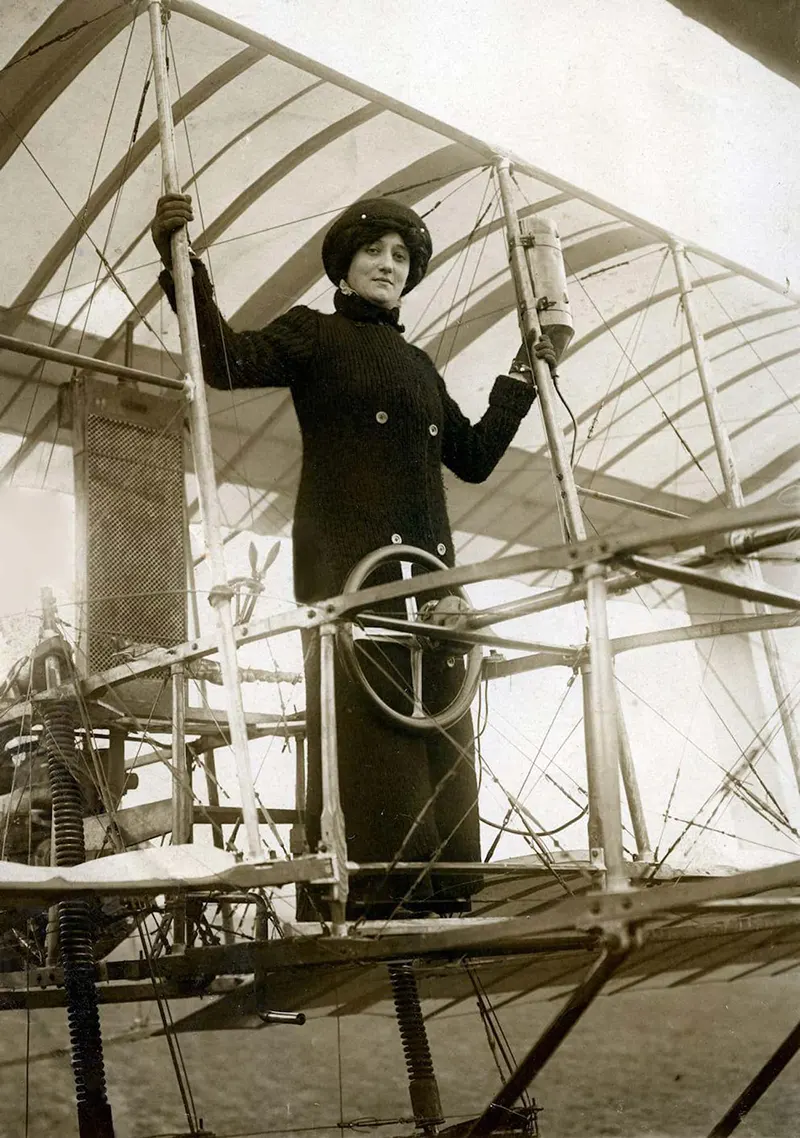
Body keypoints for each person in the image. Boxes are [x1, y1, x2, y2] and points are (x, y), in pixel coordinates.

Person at [151, 193, 556, 920]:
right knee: (373, 731)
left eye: (401, 257)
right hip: (351, 575)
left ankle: (448, 894)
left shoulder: (419, 366)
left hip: (432, 586)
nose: (389, 265)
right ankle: (378, 893)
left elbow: (473, 458)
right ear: (343, 267)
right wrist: (183, 265)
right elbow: (223, 360)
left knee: (442, 725)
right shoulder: (314, 335)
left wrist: (525, 373)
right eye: (376, 252)